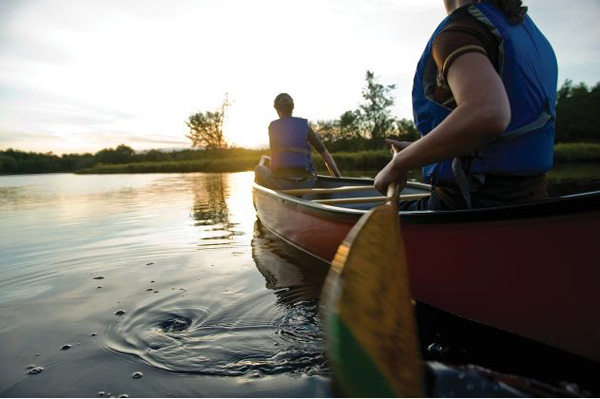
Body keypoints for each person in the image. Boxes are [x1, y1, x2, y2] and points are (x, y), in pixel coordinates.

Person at [374, 0, 558, 210]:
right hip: (532, 197)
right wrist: (418, 151)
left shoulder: (459, 34)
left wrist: (400, 163)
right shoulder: (524, 33)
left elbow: (487, 114)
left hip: (473, 201)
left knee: (360, 221)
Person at [255, 93, 341, 190]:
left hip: (282, 183)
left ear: (277, 110)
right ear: (292, 108)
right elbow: (325, 155)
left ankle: (267, 199)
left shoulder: (273, 128)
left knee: (258, 168)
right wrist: (338, 177)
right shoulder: (305, 127)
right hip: (307, 183)